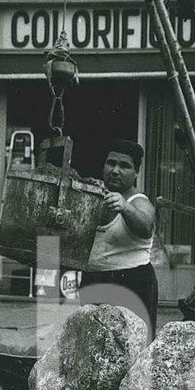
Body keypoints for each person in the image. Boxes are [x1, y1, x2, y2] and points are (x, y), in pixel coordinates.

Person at [81, 139, 158, 334]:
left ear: (136, 173)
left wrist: (125, 207)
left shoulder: (139, 202)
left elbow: (147, 225)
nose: (115, 170)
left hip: (131, 282)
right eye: (111, 163)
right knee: (91, 345)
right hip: (94, 279)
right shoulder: (94, 197)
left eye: (124, 166)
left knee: (133, 347)